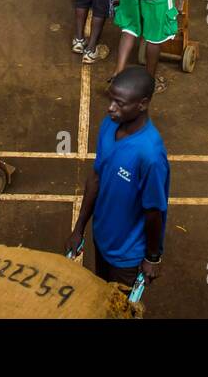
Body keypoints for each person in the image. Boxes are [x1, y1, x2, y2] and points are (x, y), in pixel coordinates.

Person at [66, 65, 169, 290]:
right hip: (102, 239)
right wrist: (79, 228)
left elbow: (154, 212)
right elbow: (95, 178)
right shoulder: (108, 125)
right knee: (102, 294)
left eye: (120, 103)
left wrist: (152, 258)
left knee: (119, 310)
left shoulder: (150, 155)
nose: (110, 108)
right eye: (111, 99)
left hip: (127, 256)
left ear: (142, 104)